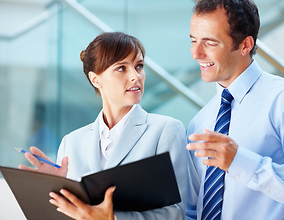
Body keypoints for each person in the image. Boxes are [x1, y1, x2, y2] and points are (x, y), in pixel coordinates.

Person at [185, 0, 284, 220]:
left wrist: (240, 162)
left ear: (245, 45)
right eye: (194, 40)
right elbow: (193, 209)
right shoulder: (200, 121)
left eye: (210, 42)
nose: (196, 53)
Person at [19, 32, 187, 220]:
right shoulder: (71, 142)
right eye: (121, 68)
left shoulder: (166, 130)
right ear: (95, 79)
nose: (135, 76)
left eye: (139, 66)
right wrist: (50, 191)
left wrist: (112, 218)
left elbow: (179, 212)